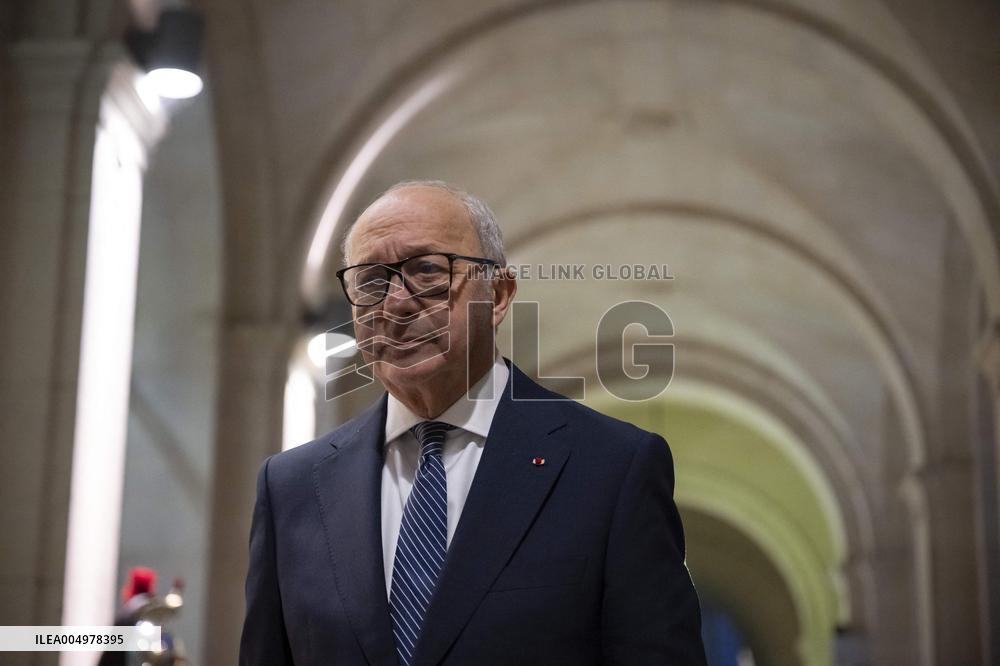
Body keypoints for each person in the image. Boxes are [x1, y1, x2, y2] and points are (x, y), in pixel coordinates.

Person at [239, 181, 707, 665]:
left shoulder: (611, 469)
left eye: (427, 270)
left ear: (498, 295)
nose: (396, 303)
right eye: (371, 280)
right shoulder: (292, 487)